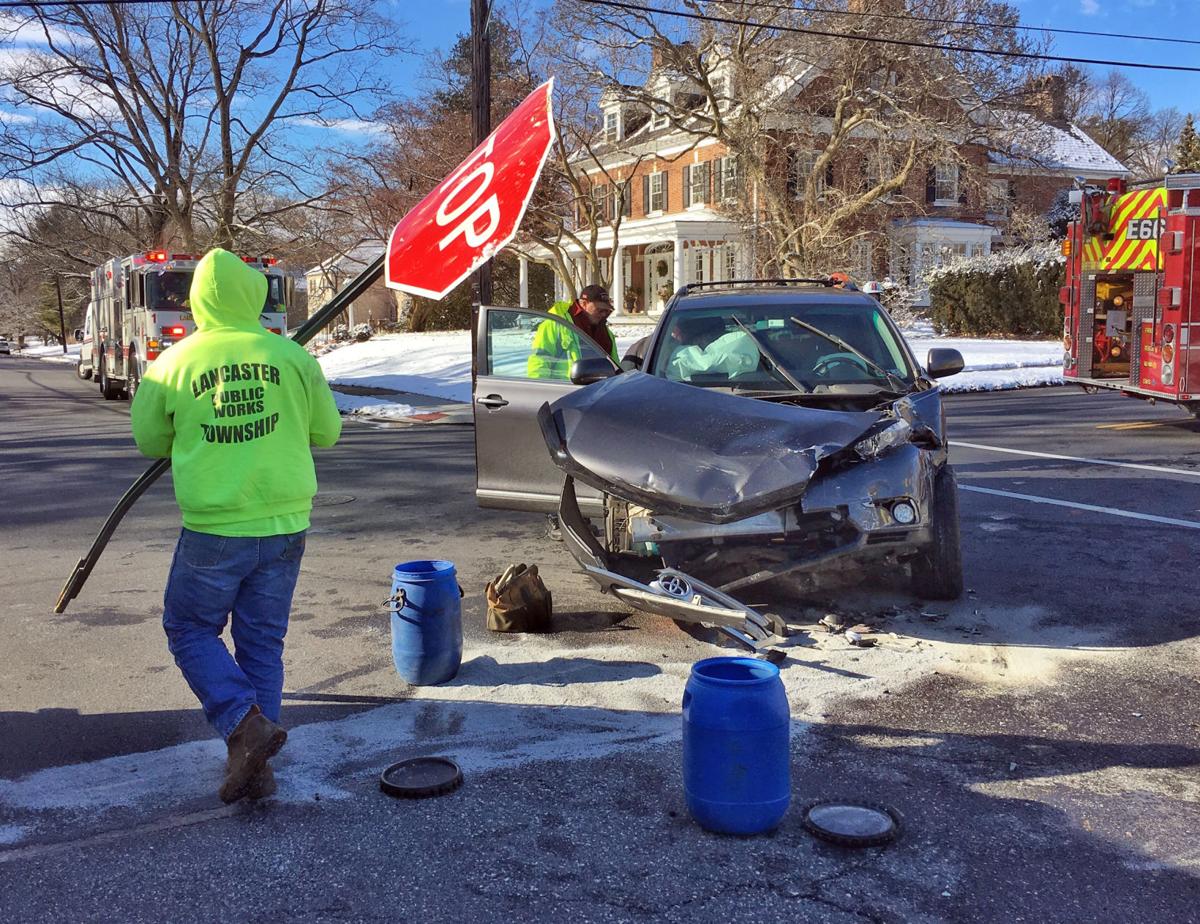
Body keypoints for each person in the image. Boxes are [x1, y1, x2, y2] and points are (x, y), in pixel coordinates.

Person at [130, 248, 342, 804]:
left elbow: (151, 440)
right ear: (256, 296)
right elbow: (329, 432)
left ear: (197, 301)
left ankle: (243, 729)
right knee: (261, 643)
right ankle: (254, 757)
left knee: (189, 628)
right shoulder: (292, 358)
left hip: (216, 526)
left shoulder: (173, 363)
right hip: (285, 523)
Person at [527, 284, 621, 379]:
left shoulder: (605, 331)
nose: (603, 314)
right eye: (599, 310)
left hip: (600, 389)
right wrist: (541, 389)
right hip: (565, 389)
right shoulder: (556, 323)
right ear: (584, 304)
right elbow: (539, 360)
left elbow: (615, 366)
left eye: (606, 311)